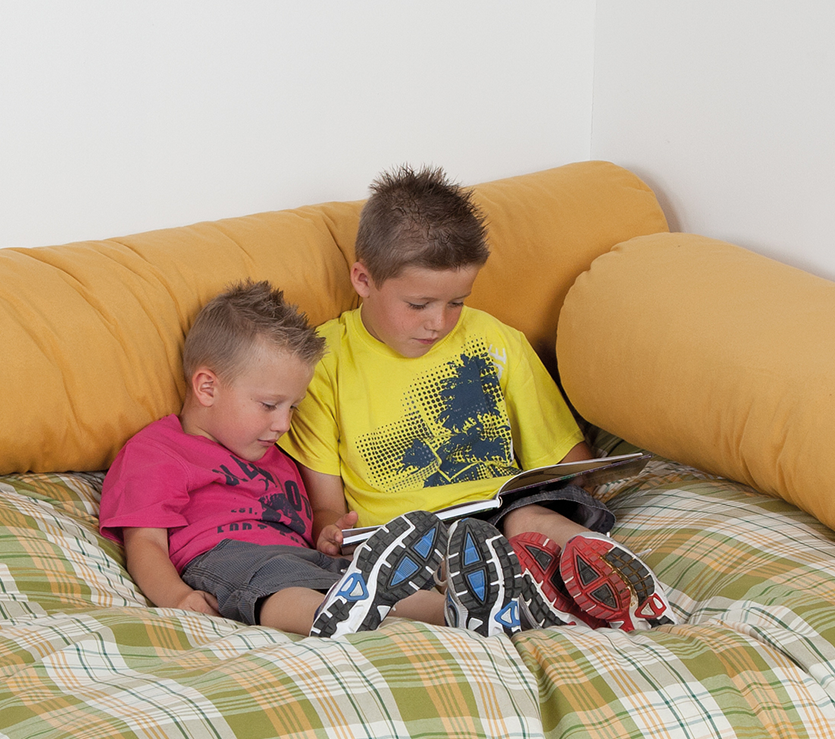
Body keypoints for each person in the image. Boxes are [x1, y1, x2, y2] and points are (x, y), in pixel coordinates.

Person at [284, 166, 671, 631]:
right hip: (409, 538)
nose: (439, 323)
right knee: (432, 561)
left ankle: (604, 574)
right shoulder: (322, 363)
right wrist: (331, 531)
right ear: (363, 279)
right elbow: (327, 507)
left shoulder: (495, 341)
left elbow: (565, 458)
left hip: (501, 510)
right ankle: (518, 594)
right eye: (419, 305)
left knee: (529, 516)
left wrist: (587, 476)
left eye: (457, 302)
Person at [99, 281, 524, 639]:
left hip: (306, 560)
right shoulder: (158, 450)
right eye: (270, 405)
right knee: (277, 582)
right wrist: (176, 597)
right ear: (207, 387)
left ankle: (470, 614)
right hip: (226, 558)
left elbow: (311, 523)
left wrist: (328, 535)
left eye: (293, 407)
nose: (283, 423)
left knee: (370, 584)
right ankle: (331, 619)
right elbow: (145, 543)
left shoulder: (276, 456)